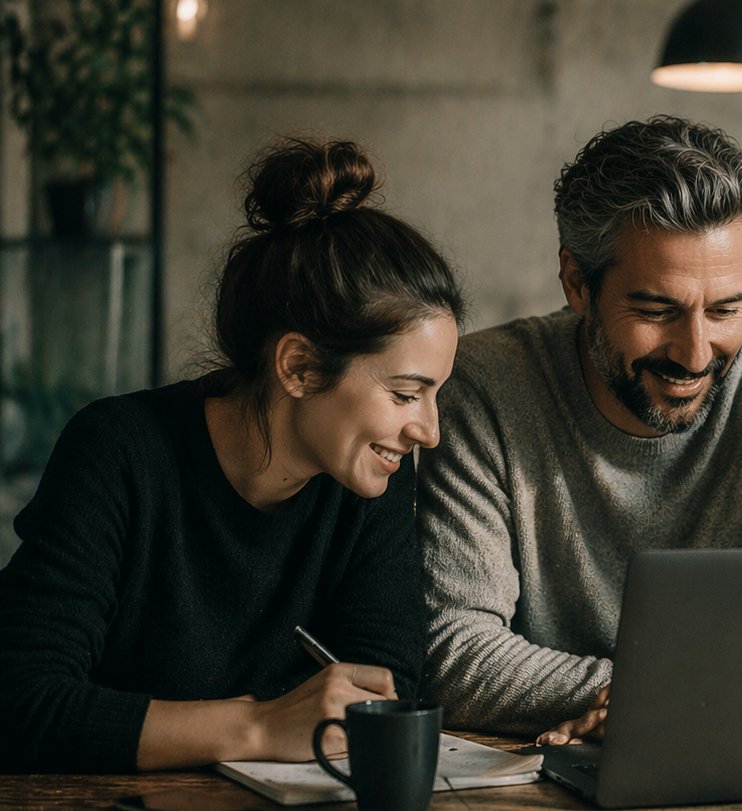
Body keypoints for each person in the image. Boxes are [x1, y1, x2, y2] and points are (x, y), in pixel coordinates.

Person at [0, 138, 467, 772]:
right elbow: (22, 702)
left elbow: (381, 690)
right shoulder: (117, 451)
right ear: (298, 366)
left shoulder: (369, 473)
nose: (429, 432)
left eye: (435, 395)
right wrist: (258, 726)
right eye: (406, 394)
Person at [419, 115, 742, 742]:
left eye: (725, 310)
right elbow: (454, 652)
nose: (695, 354)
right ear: (577, 283)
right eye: (657, 310)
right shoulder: (483, 388)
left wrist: (665, 698)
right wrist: (670, 695)